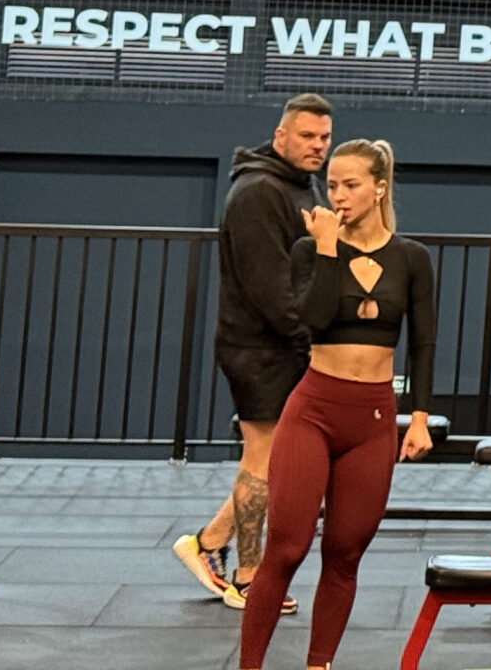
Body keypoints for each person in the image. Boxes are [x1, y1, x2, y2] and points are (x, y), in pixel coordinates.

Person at [239, 139, 436, 670]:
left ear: (379, 188)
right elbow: (315, 319)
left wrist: (419, 418)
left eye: (351, 185)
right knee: (286, 546)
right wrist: (327, 248)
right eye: (332, 185)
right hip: (314, 409)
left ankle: (319, 664)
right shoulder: (311, 249)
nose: (339, 195)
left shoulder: (411, 258)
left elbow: (422, 343)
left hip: (372, 418)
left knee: (345, 553)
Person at [176, 92, 333, 611]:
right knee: (263, 457)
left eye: (324, 137)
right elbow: (271, 289)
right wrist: (314, 343)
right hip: (258, 347)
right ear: (280, 135)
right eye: (307, 135)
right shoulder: (258, 192)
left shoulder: (298, 185)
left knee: (276, 460)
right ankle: (248, 580)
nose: (318, 145)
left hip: (283, 342)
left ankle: (207, 543)